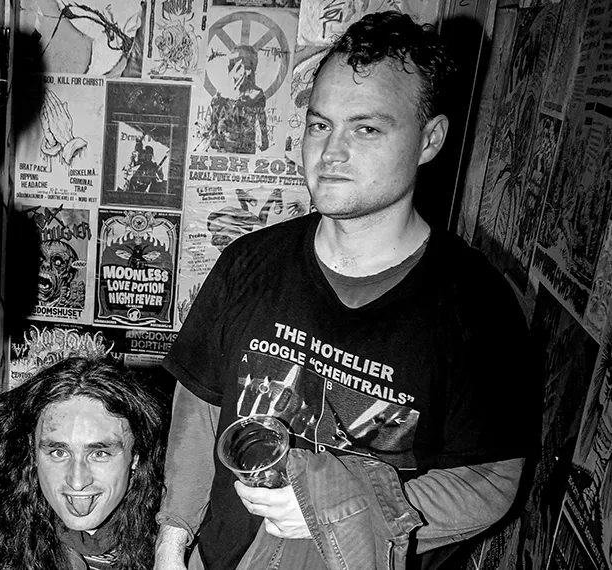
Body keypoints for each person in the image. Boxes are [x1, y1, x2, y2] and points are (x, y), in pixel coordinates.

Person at [154, 11, 538, 570]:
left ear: (430, 140)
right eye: (319, 125)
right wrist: (172, 542)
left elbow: (489, 484)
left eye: (366, 129)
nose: (331, 153)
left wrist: (334, 507)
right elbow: (200, 414)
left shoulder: (478, 306)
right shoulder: (248, 263)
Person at [0, 357, 165, 570]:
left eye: (99, 453)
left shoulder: (176, 543)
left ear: (135, 456)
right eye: (58, 453)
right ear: (32, 452)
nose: (77, 481)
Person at [207, 45, 269, 154]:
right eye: (236, 67)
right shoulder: (222, 94)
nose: (242, 73)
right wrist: (213, 135)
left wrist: (264, 140)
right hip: (225, 147)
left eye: (247, 67)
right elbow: (214, 118)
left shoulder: (257, 95)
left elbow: (261, 118)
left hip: (246, 148)